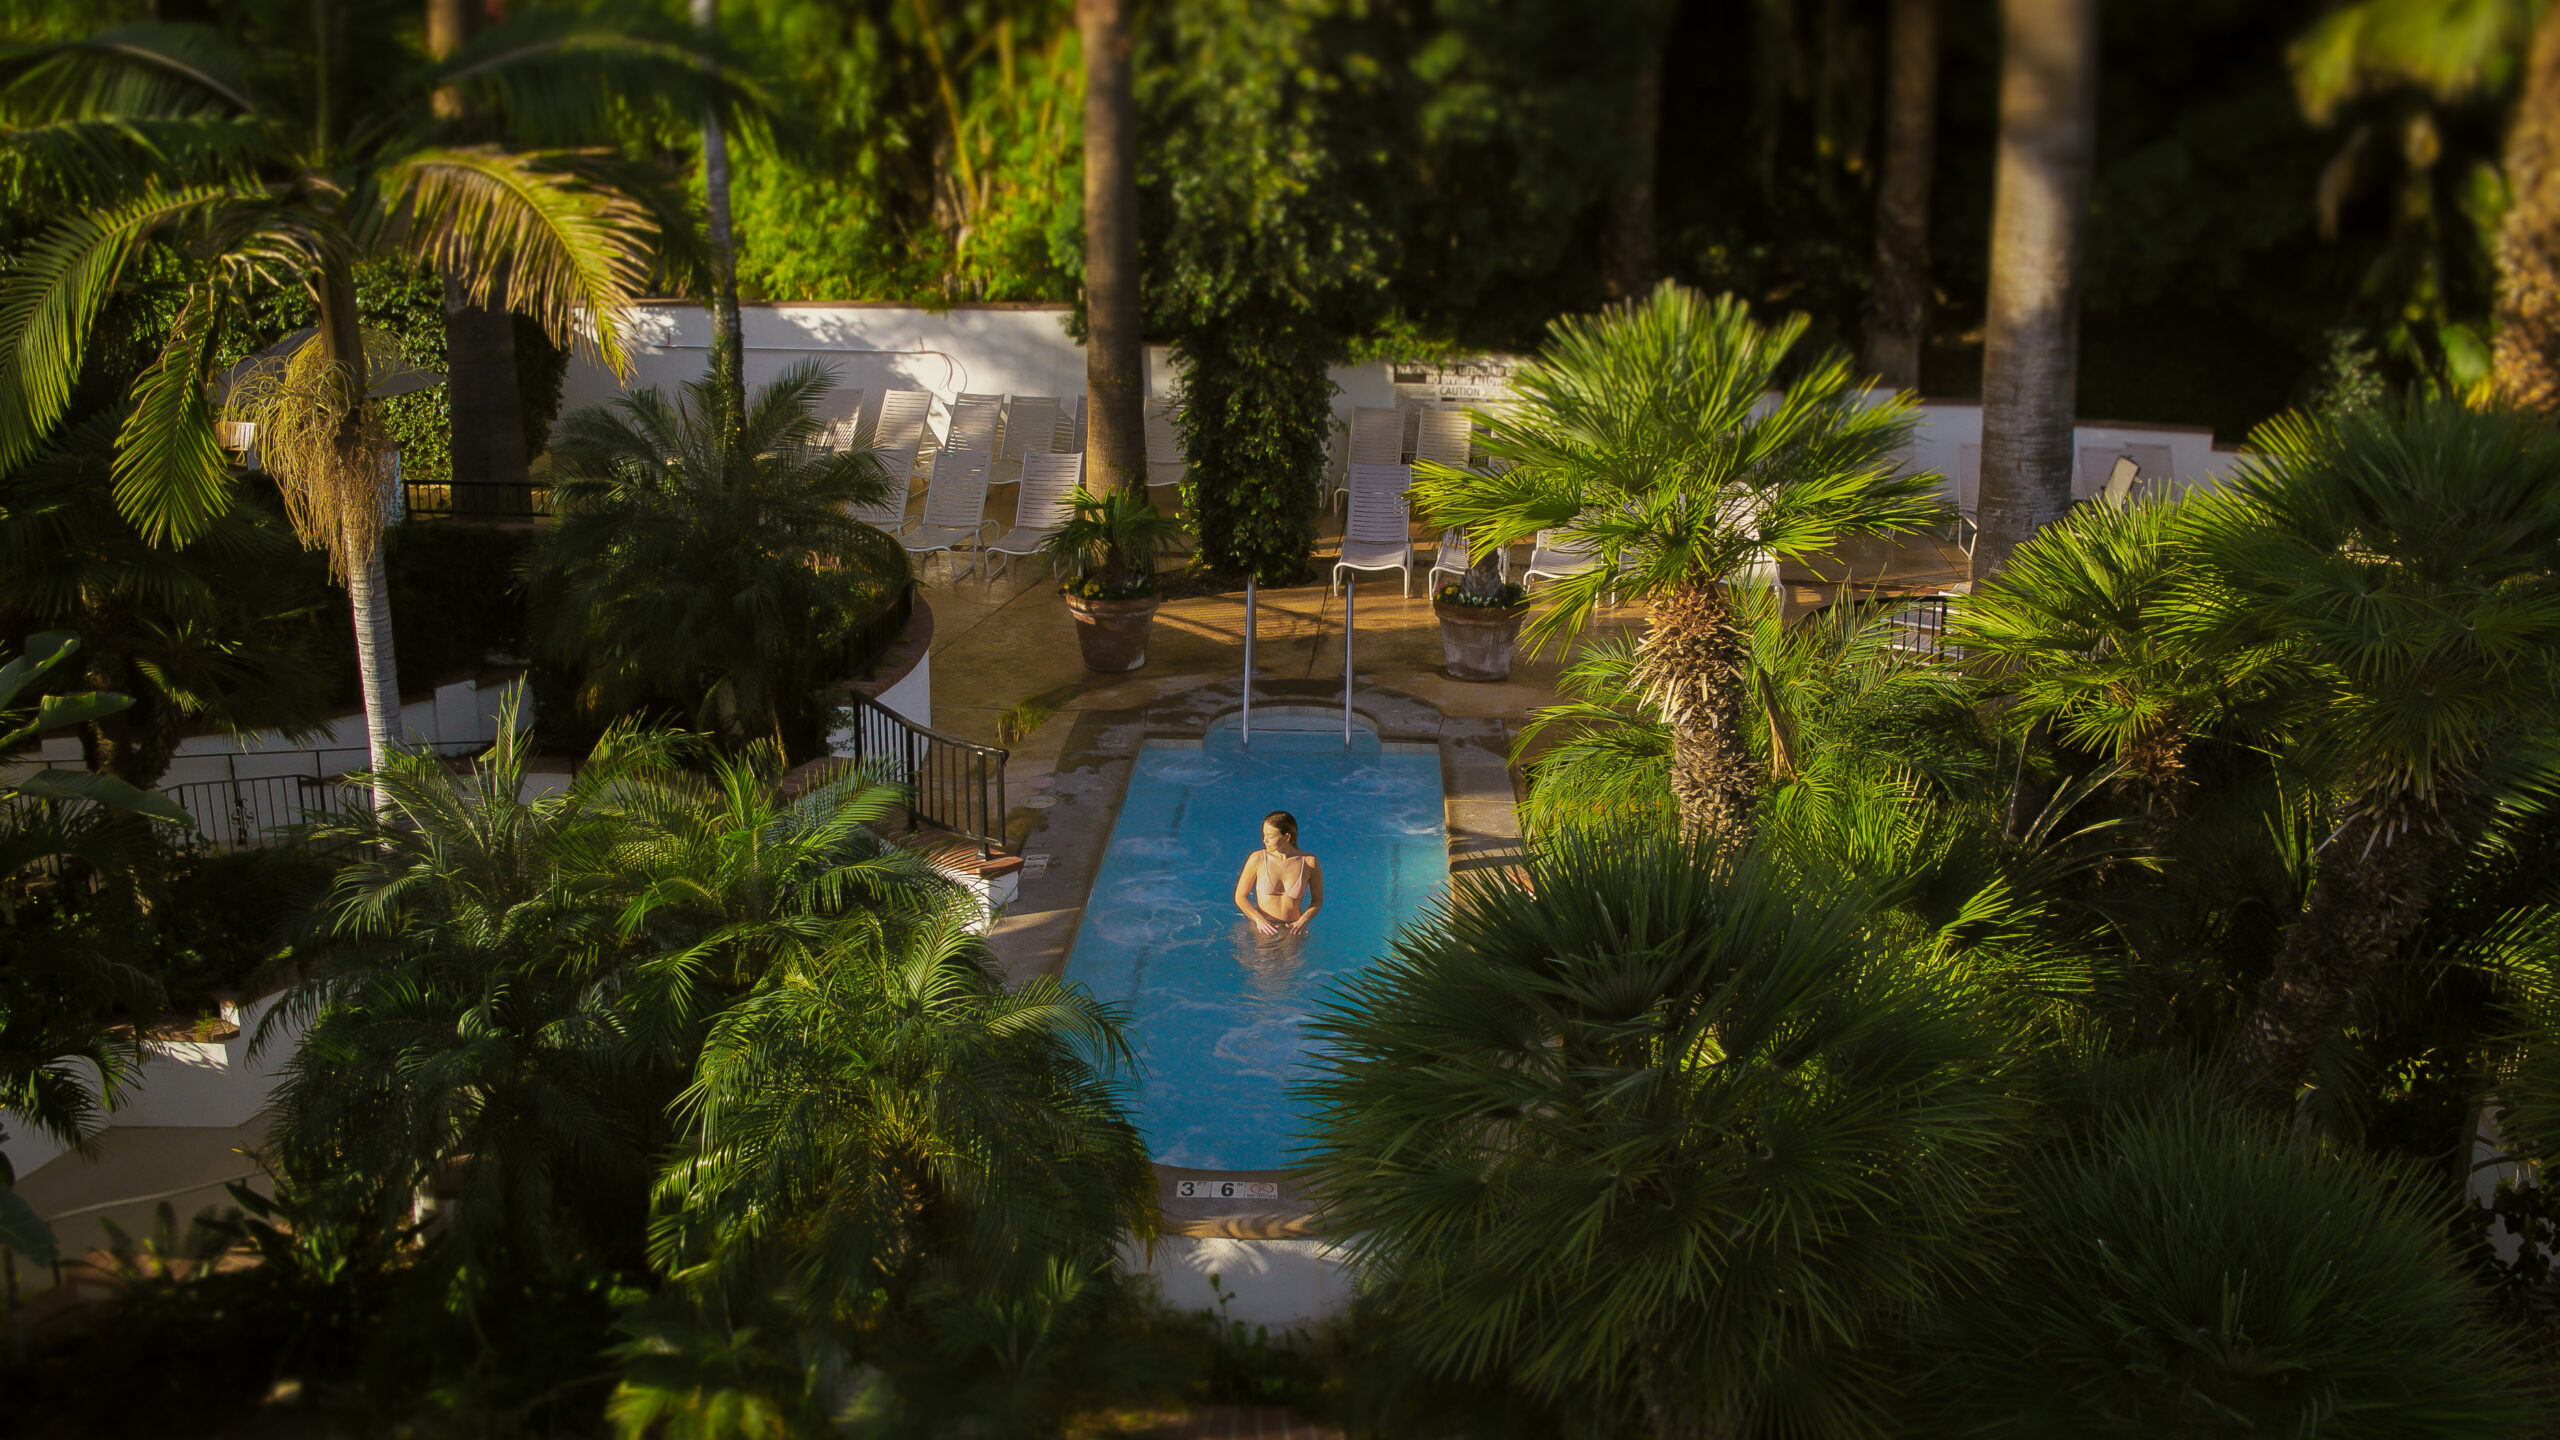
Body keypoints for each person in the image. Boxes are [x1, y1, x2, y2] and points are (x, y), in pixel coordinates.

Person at [1233, 810, 1322, 937]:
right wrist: (1259, 920)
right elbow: (1240, 897)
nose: (1264, 840)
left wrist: (1303, 920)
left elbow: (1317, 901)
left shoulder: (1309, 862)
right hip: (1262, 930)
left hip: (1294, 930)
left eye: (1270, 836)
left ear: (1287, 837)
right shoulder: (1257, 858)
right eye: (1264, 835)